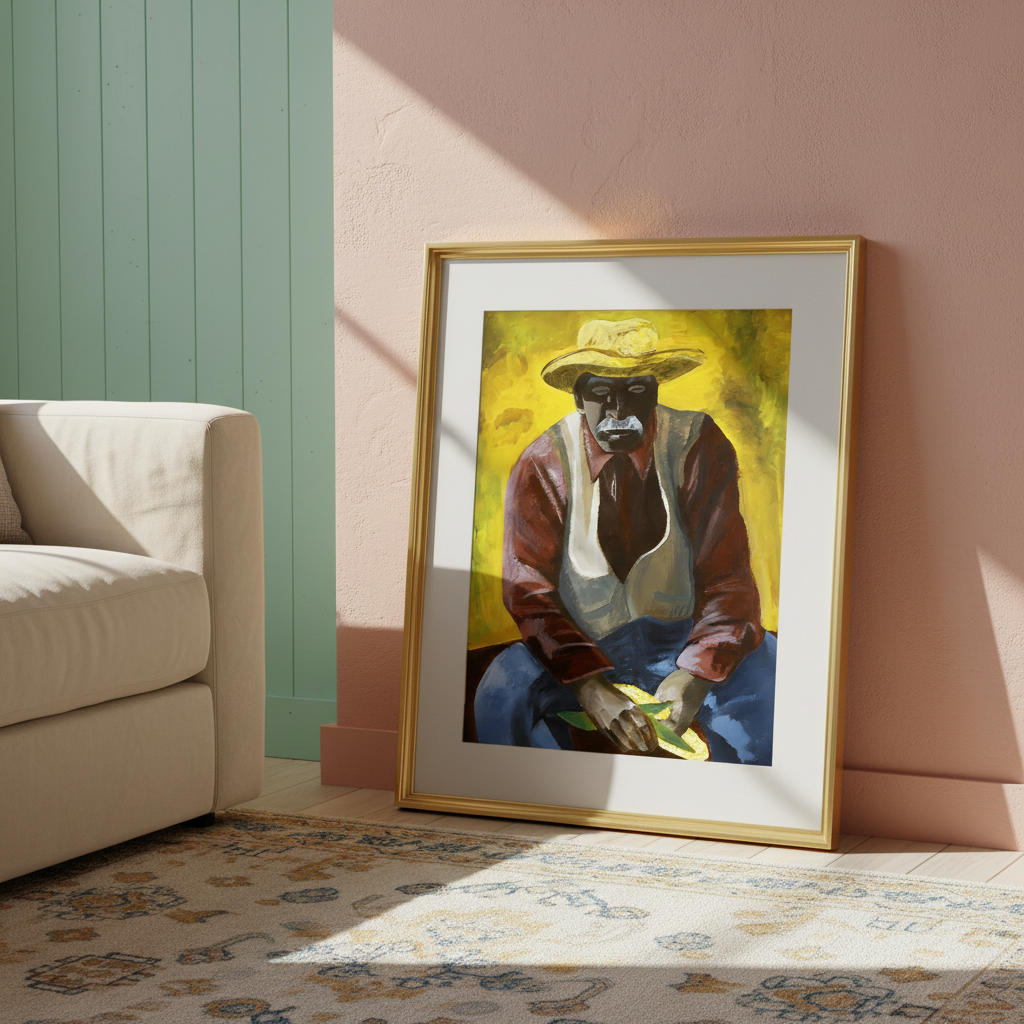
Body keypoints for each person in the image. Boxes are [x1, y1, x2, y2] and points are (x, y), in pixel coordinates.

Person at [473, 318, 776, 764]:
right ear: (578, 397)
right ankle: (547, 800)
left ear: (655, 390)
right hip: (579, 646)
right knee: (501, 692)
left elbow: (728, 576)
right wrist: (589, 685)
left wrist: (695, 672)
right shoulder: (543, 462)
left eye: (636, 391)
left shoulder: (698, 443)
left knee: (774, 679)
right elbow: (528, 591)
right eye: (600, 393)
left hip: (684, 639)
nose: (619, 410)